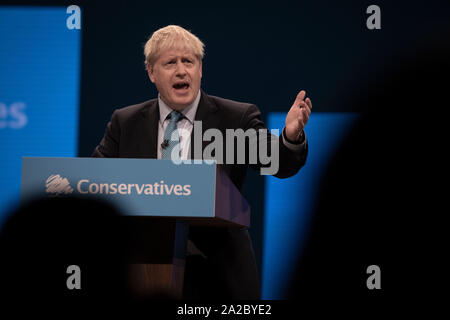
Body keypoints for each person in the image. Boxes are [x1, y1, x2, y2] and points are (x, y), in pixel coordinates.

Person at [92, 25, 312, 299]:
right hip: (144, 272)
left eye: (189, 61)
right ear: (151, 72)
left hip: (217, 276)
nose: (181, 70)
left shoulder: (235, 118)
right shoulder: (125, 122)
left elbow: (278, 163)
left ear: (200, 69)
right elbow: (95, 182)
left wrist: (290, 137)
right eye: (170, 62)